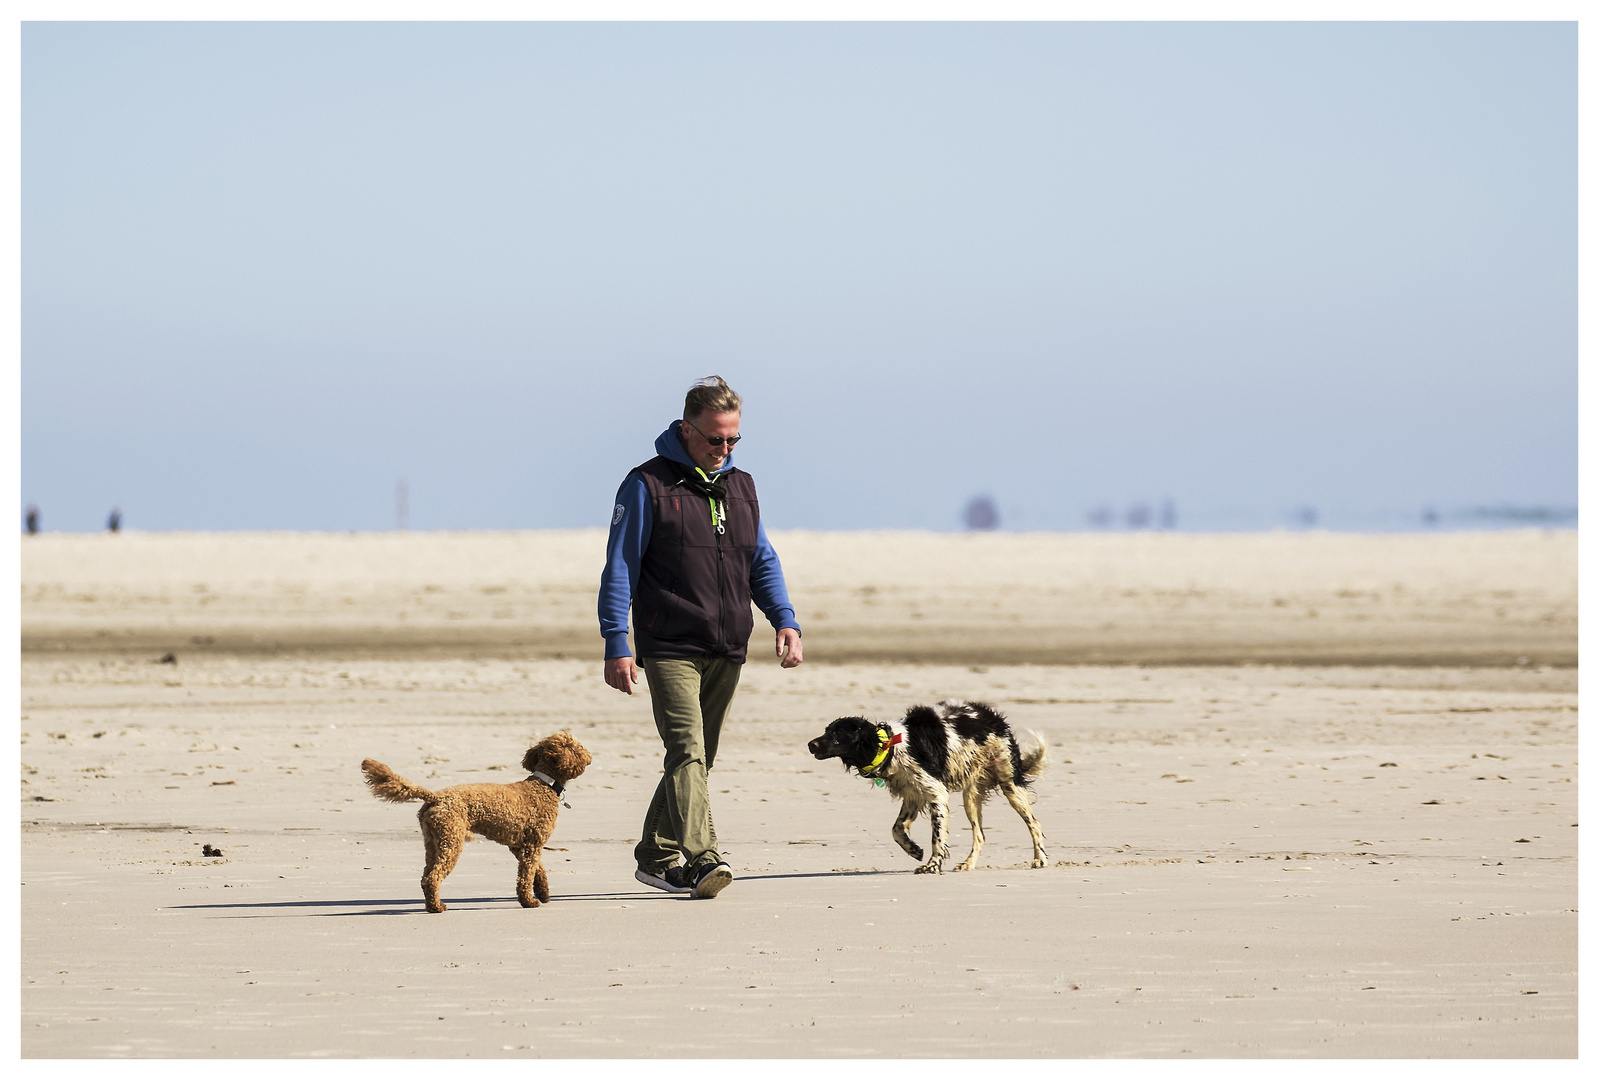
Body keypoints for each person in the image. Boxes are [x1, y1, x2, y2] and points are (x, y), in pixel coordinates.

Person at [598, 376, 803, 899]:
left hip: (727, 644)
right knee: (686, 749)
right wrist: (616, 640)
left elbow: (760, 559)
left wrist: (785, 618)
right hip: (668, 644)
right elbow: (619, 567)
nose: (725, 449)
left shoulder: (742, 486)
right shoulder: (646, 485)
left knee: (698, 757)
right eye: (715, 439)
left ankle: (655, 855)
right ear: (687, 430)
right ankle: (703, 854)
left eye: (734, 439)